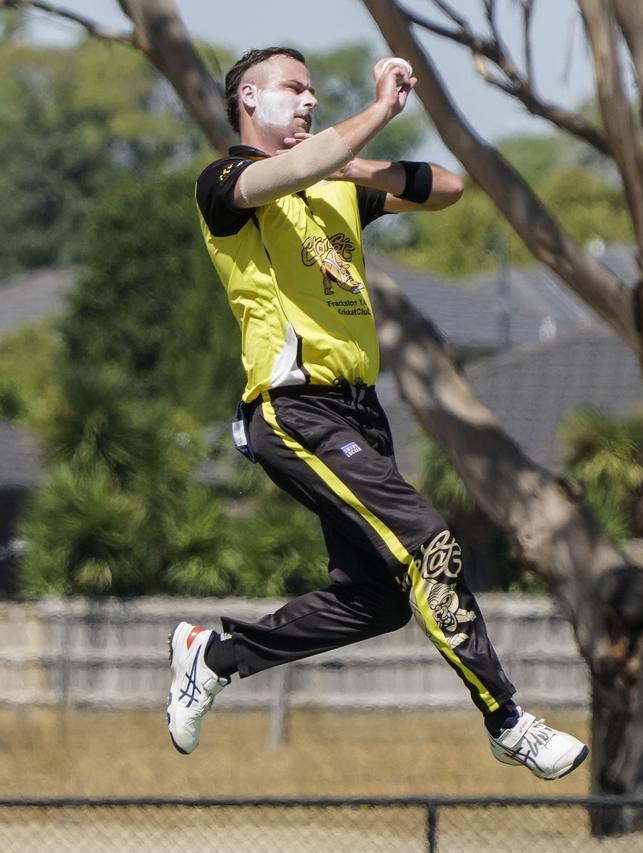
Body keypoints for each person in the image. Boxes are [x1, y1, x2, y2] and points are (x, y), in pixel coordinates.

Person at [166, 46, 588, 781]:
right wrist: (377, 116)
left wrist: (354, 166)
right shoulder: (226, 182)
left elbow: (448, 188)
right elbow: (285, 173)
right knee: (431, 543)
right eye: (291, 89)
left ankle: (217, 655)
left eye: (313, 92)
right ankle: (508, 720)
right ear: (248, 102)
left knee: (377, 602)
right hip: (294, 410)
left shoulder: (332, 188)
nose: (306, 101)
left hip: (361, 413)